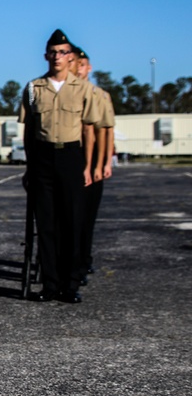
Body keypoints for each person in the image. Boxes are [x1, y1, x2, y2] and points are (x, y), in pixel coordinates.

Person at [19, 29, 99, 303]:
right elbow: (28, 130)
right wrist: (29, 166)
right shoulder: (33, 88)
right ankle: (50, 285)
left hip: (71, 157)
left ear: (70, 57)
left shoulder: (83, 89)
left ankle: (70, 284)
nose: (57, 56)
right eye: (53, 52)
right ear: (45, 55)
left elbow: (88, 130)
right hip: (42, 158)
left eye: (63, 52)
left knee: (72, 222)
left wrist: (87, 167)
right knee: (47, 224)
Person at [75, 47, 115, 284]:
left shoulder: (100, 95)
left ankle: (83, 258)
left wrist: (103, 163)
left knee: (87, 216)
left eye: (82, 65)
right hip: (72, 155)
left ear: (89, 68)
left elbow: (105, 132)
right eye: (75, 64)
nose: (78, 69)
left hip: (93, 157)